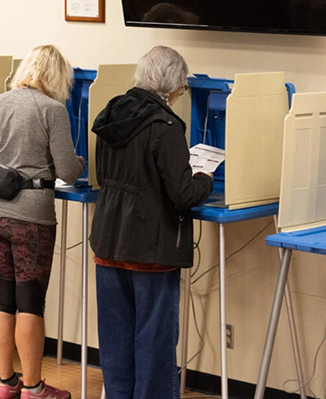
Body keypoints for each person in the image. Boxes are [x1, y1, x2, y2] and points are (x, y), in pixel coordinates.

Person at [89, 46, 214, 399]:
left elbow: (103, 175)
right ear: (173, 85)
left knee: (115, 343)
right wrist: (205, 178)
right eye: (183, 87)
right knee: (154, 345)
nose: (180, 94)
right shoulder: (165, 126)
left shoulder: (111, 113)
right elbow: (183, 193)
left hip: (108, 242)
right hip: (151, 249)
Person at [0, 44, 84, 399]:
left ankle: (6, 383)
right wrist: (77, 161)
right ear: (56, 77)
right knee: (30, 301)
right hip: (30, 215)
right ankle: (34, 388)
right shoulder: (53, 110)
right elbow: (67, 171)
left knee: (2, 298)